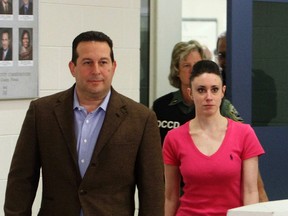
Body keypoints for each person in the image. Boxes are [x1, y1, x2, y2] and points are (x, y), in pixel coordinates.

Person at [4, 31, 164, 215]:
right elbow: (21, 179)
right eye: (87, 62)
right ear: (73, 68)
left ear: (113, 66)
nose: (96, 70)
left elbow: (152, 190)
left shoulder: (141, 119)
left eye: (103, 62)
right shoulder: (42, 112)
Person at [163, 60, 265, 216]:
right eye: (201, 90)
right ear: (191, 93)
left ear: (223, 91)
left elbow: (251, 192)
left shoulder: (244, 134)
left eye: (214, 89)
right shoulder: (174, 138)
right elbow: (170, 197)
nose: (208, 96)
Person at [152, 40, 243, 144]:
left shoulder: (219, 104)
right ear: (177, 70)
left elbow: (243, 138)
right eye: (186, 65)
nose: (192, 70)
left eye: (197, 65)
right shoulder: (161, 106)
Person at [215, 32, 269, 202]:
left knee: (255, 187)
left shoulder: (258, 80)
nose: (223, 61)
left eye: (227, 55)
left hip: (246, 143)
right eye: (220, 55)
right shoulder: (214, 82)